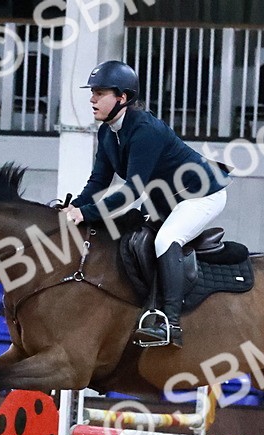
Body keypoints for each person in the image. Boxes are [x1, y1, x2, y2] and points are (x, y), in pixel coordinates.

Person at [63, 60, 230, 348]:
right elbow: (98, 181)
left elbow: (132, 192)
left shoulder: (145, 130)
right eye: (92, 93)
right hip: (165, 198)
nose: (92, 99)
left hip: (202, 194)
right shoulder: (107, 132)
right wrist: (73, 208)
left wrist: (86, 213)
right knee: (133, 238)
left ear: (122, 98)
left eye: (99, 93)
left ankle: (170, 324)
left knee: (166, 239)